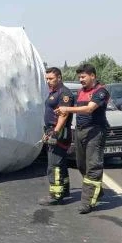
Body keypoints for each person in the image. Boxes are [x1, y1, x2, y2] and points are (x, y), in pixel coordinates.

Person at [55, 64, 110, 214]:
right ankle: (96, 191)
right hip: (80, 132)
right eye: (79, 77)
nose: (81, 79)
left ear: (93, 76)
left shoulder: (101, 91)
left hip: (95, 132)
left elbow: (89, 109)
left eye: (83, 77)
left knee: (93, 166)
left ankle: (87, 202)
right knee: (81, 165)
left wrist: (67, 109)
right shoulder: (80, 92)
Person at [38, 67, 75, 206]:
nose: (48, 81)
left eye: (51, 79)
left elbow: (63, 114)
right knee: (61, 163)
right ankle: (64, 190)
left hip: (59, 134)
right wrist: (47, 131)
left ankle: (56, 194)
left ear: (59, 78)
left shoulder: (64, 93)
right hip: (52, 131)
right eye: (47, 79)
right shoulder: (54, 92)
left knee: (54, 165)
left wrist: (55, 131)